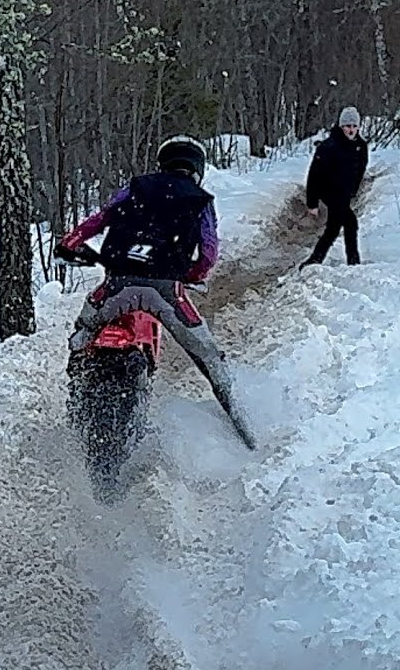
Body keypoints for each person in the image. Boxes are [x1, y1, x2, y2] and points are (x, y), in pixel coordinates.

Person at [54, 135, 256, 450]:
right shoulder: (200, 199)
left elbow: (99, 219)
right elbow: (209, 252)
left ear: (161, 164)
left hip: (115, 285)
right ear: (197, 169)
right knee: (208, 357)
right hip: (167, 292)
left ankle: (77, 391)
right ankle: (244, 429)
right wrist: (194, 274)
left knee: (82, 335)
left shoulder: (134, 188)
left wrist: (71, 243)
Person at [301, 106, 369, 269]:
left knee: (335, 226)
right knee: (348, 222)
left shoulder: (360, 146)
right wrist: (312, 203)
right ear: (341, 126)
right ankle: (352, 261)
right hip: (329, 191)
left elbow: (360, 169)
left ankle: (315, 260)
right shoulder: (329, 147)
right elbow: (314, 175)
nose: (351, 130)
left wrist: (353, 190)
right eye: (347, 126)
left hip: (344, 192)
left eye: (354, 126)